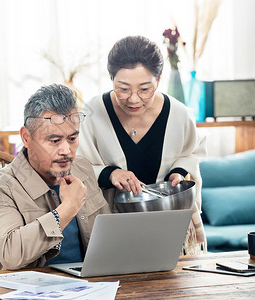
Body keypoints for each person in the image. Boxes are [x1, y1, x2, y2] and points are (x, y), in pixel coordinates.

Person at [77, 35, 207, 254]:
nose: (134, 99)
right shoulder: (91, 113)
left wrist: (179, 172)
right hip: (113, 225)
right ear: (111, 80)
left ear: (159, 79)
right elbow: (75, 165)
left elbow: (192, 151)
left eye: (145, 89)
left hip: (167, 224)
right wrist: (110, 174)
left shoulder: (179, 115)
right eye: (123, 89)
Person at [0, 84, 112, 270]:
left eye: (73, 139)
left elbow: (109, 235)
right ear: (26, 138)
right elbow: (11, 255)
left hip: (92, 287)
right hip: (30, 291)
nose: (66, 151)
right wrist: (67, 209)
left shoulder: (82, 168)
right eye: (55, 141)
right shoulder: (0, 188)